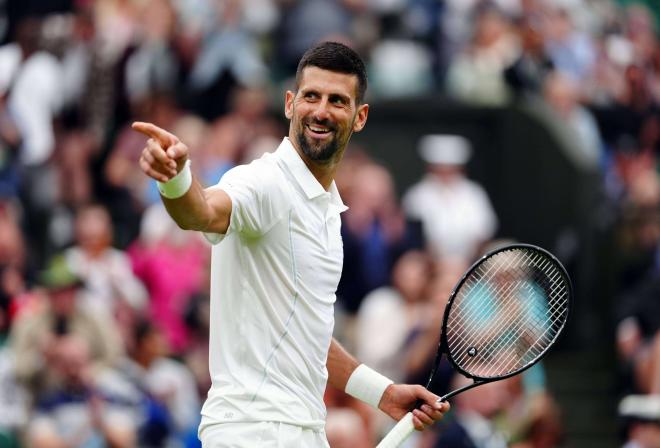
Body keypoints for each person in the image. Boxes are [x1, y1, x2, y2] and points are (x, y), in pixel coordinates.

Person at [133, 41, 448, 446]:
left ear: (359, 117)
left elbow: (307, 336)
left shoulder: (327, 216)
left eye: (337, 100)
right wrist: (176, 179)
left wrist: (382, 393)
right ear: (289, 103)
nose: (320, 110)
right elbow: (202, 212)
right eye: (311, 96)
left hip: (301, 432)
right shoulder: (265, 183)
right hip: (252, 432)